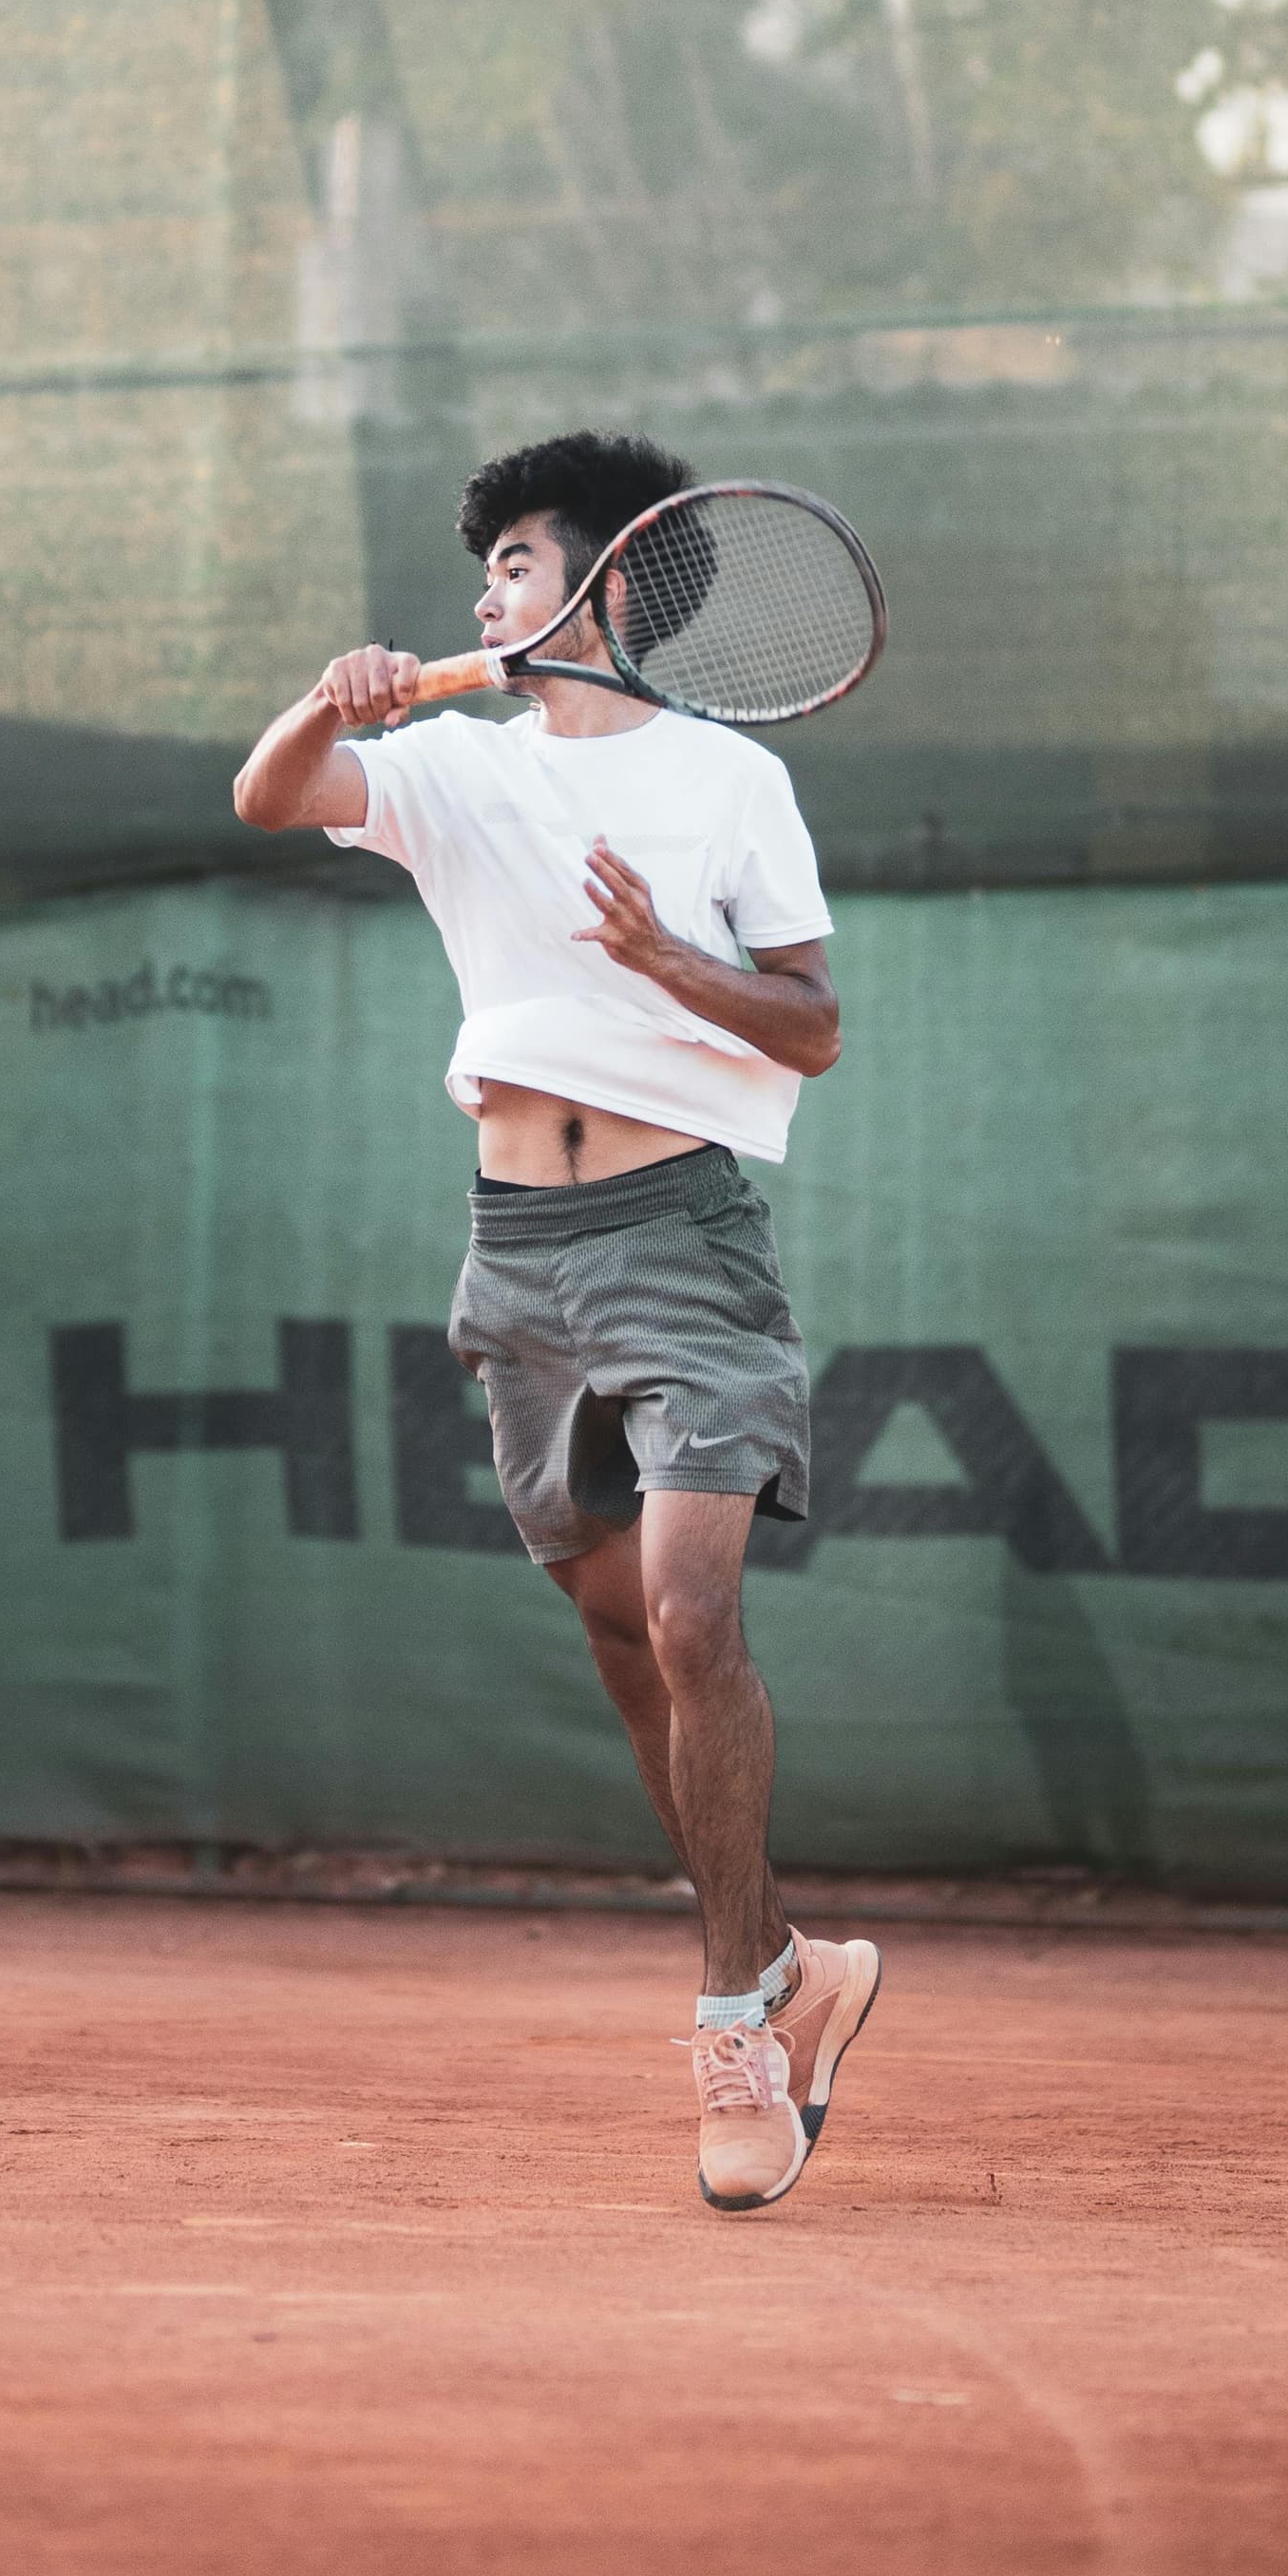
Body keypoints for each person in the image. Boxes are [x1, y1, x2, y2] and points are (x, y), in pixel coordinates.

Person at [231, 428, 877, 2213]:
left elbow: (812, 1027)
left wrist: (669, 960)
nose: (483, 592)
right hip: (514, 1255)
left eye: (513, 561)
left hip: (685, 1242)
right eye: (483, 568)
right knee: (615, 1629)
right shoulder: (450, 768)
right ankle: (799, 1966)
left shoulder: (730, 786)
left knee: (688, 1614)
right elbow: (268, 800)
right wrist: (332, 702)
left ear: (602, 584)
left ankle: (737, 2028)